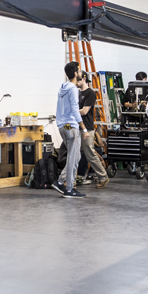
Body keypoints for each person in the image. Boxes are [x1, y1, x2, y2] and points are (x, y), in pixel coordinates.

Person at [53, 61, 86, 198]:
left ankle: (60, 182)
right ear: (75, 74)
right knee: (73, 158)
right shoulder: (72, 89)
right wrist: (83, 127)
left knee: (76, 156)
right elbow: (74, 109)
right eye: (79, 71)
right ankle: (69, 188)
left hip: (62, 126)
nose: (81, 73)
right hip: (71, 126)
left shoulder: (62, 88)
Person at [77, 72, 110, 188]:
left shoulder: (90, 93)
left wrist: (71, 111)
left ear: (84, 79)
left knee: (90, 154)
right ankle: (75, 178)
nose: (77, 82)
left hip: (87, 128)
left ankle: (103, 177)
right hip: (77, 127)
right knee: (75, 153)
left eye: (79, 80)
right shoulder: (77, 93)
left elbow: (85, 111)